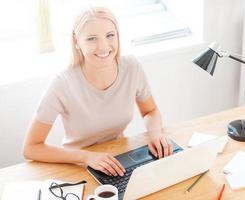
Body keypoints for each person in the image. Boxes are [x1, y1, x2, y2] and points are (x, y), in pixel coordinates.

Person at [23, 7, 173, 177]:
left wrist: (155, 134)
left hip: (118, 159)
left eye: (110, 35)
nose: (103, 47)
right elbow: (31, 147)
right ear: (77, 42)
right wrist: (87, 157)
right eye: (91, 38)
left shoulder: (131, 67)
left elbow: (150, 111)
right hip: (77, 165)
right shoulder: (62, 83)